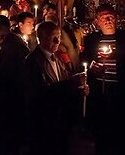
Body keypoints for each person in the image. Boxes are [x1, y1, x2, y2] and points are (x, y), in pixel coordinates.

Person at [81, 4, 125, 155]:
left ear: (116, 19)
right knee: (101, 136)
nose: (107, 20)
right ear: (97, 21)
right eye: (103, 17)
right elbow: (84, 62)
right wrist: (92, 68)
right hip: (100, 93)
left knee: (121, 135)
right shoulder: (90, 40)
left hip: (122, 92)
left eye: (110, 17)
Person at [24, 21, 88, 155]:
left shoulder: (57, 58)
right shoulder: (32, 62)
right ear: (40, 38)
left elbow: (63, 81)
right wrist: (71, 83)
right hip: (44, 123)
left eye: (58, 36)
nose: (57, 40)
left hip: (60, 120)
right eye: (52, 37)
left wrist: (78, 88)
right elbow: (40, 93)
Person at [0, 15, 30, 155]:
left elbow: (7, 71)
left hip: (12, 94)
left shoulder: (11, 44)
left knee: (10, 132)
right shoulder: (11, 41)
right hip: (14, 93)